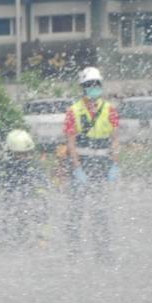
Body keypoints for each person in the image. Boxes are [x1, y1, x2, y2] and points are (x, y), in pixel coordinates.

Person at [62, 66, 119, 261]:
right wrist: (77, 168)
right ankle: (73, 251)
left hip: (102, 165)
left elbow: (115, 139)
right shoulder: (73, 111)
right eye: (89, 85)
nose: (93, 88)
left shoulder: (109, 109)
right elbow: (71, 143)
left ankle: (102, 251)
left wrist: (115, 164)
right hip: (82, 165)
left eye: (96, 84)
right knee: (76, 209)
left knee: (101, 211)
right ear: (83, 88)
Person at [0, 129, 49, 249]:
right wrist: (0, 195)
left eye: (27, 153)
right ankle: (5, 241)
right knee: (7, 215)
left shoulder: (34, 166)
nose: (24, 157)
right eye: (20, 154)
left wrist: (39, 195)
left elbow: (42, 184)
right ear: (10, 152)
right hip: (10, 201)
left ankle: (40, 239)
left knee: (40, 210)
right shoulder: (4, 167)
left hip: (28, 200)